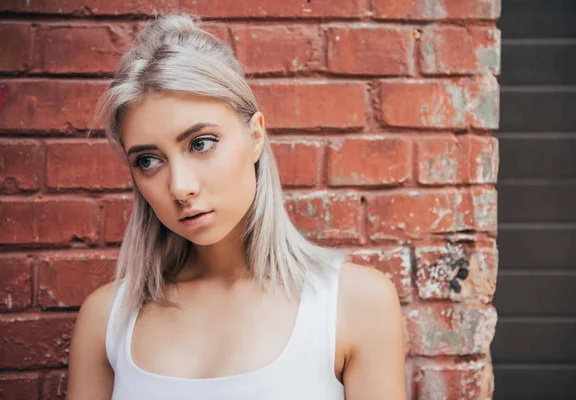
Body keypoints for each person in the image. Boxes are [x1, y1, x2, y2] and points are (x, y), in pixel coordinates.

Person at [66, 12, 406, 400]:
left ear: (255, 136)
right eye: (148, 161)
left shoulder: (353, 303)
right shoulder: (107, 319)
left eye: (201, 143)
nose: (180, 187)